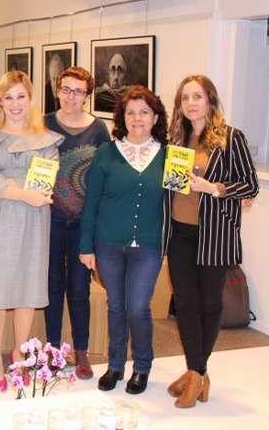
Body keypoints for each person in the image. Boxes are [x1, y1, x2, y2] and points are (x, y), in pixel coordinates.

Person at [163, 74, 259, 408]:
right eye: (185, 98)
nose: (190, 103)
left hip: (214, 235)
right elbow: (171, 186)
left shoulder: (231, 138)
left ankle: (196, 373)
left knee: (209, 305)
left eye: (197, 97)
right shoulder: (176, 139)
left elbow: (250, 186)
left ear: (210, 101)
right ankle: (196, 373)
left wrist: (214, 188)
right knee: (185, 304)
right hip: (180, 233)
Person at [0, 70, 62, 391]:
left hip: (34, 223)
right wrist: (22, 190)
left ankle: (20, 351)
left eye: (20, 97)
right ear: (0, 101)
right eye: (7, 97)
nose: (14, 104)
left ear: (30, 99)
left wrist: (11, 184)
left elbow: (46, 180)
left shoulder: (47, 139)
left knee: (27, 287)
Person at [79, 85, 168, 395]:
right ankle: (116, 365)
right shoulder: (107, 152)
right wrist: (86, 246)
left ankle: (142, 367)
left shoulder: (170, 155)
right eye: (131, 112)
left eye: (144, 111)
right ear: (122, 117)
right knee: (116, 305)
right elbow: (91, 202)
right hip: (108, 243)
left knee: (138, 307)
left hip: (148, 244)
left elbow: (181, 201)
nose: (137, 118)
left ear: (155, 116)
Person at [43, 67, 110, 381]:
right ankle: (53, 350)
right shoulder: (42, 124)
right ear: (57, 89)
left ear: (88, 95)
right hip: (49, 219)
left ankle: (81, 350)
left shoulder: (97, 130)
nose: (71, 96)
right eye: (66, 89)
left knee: (79, 288)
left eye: (79, 91)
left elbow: (105, 177)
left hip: (84, 223)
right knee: (52, 285)